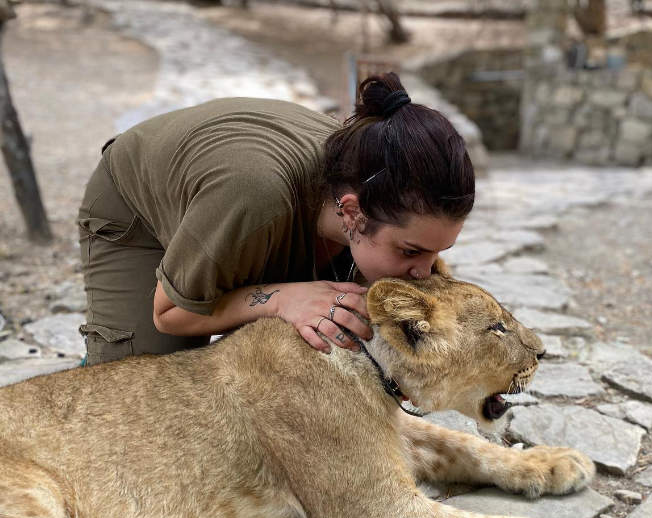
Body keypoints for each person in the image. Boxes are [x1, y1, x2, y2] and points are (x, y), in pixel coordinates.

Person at [77, 72, 475, 365]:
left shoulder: (365, 176)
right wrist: (284, 298)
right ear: (353, 213)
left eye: (437, 252)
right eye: (411, 251)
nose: (424, 273)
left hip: (232, 204)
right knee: (145, 397)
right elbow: (167, 314)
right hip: (137, 208)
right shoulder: (254, 202)